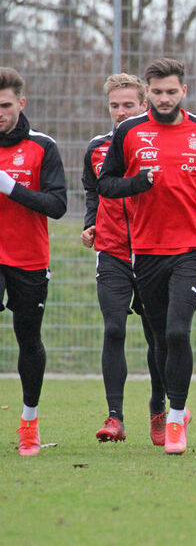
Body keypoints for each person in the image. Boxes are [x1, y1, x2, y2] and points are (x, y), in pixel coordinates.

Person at [98, 57, 196, 455]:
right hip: (146, 250)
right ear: (148, 93)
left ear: (183, 92)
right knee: (159, 337)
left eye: (170, 92)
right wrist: (136, 183)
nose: (163, 99)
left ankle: (176, 418)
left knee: (178, 331)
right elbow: (107, 184)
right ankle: (163, 407)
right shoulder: (129, 132)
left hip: (192, 248)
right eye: (156, 92)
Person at [80, 73, 166, 444]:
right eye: (114, 106)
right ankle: (114, 417)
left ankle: (159, 410)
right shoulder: (97, 148)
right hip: (112, 251)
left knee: (157, 337)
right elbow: (92, 191)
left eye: (128, 105)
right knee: (114, 328)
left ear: (144, 104)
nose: (120, 112)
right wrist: (90, 223)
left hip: (153, 250)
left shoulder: (160, 145)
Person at [0, 67, 67, 456]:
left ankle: (29, 420)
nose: (0, 112)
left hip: (28, 259)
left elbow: (57, 205)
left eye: (5, 105)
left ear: (21, 104)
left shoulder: (43, 147)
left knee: (28, 339)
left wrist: (11, 187)